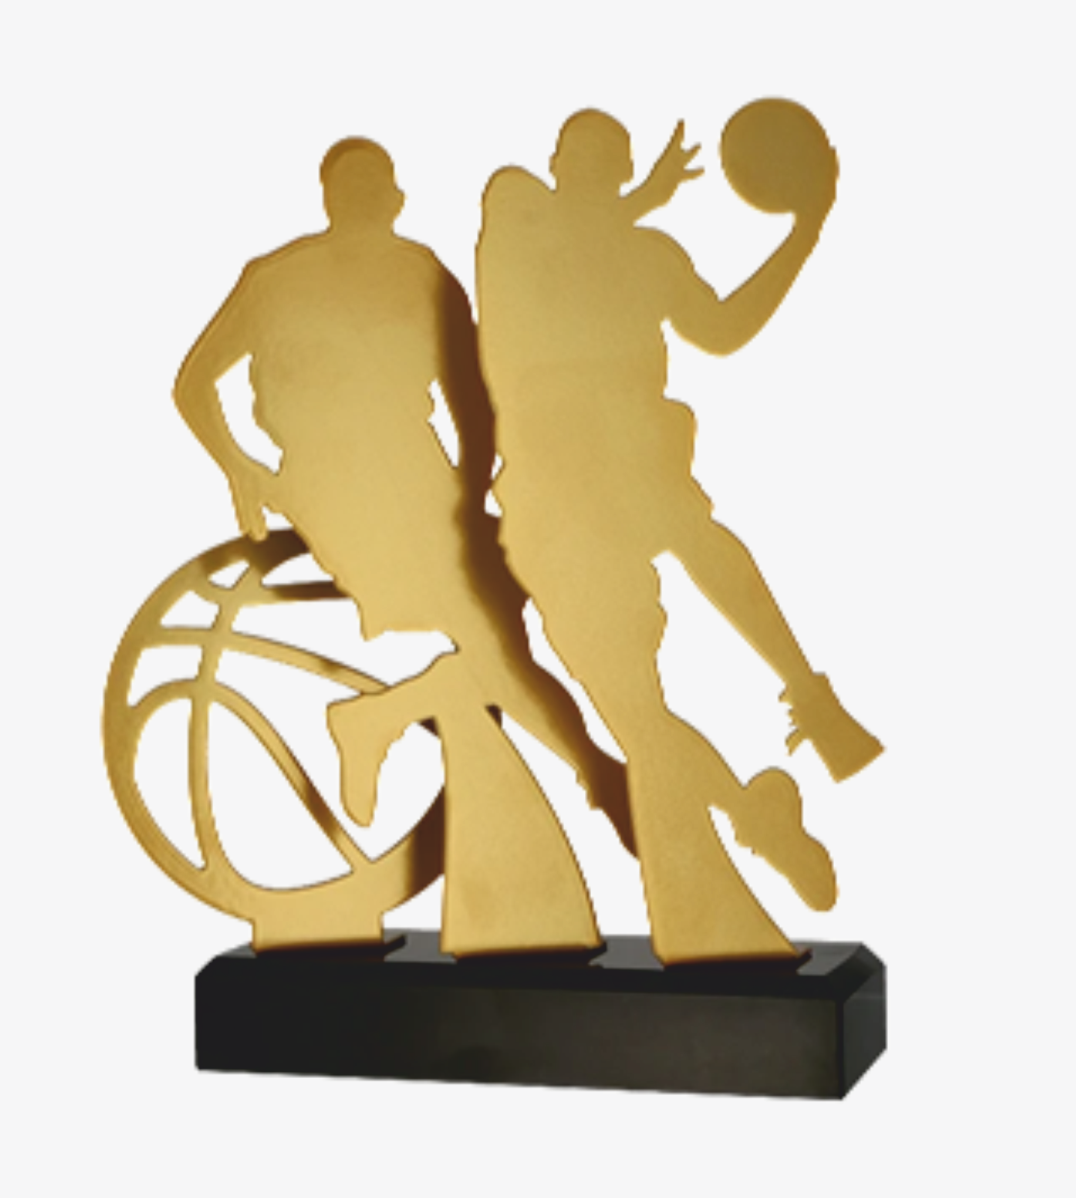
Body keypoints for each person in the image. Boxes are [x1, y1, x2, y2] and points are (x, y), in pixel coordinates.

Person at [174, 137, 633, 956]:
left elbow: (474, 402)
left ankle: (383, 720)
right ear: (358, 197)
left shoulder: (422, 275)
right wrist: (242, 471)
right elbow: (192, 381)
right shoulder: (276, 277)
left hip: (414, 481)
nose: (377, 201)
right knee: (496, 641)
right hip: (340, 489)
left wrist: (468, 494)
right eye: (369, 187)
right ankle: (599, 778)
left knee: (504, 635)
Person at [476, 109, 882, 963]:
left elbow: (724, 328)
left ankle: (805, 700)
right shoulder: (520, 222)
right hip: (560, 487)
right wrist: (640, 205)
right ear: (557, 166)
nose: (593, 174)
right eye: (584, 158)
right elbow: (555, 249)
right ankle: (753, 807)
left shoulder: (640, 250)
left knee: (692, 556)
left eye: (607, 161)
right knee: (641, 717)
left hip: (606, 471)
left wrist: (804, 234)